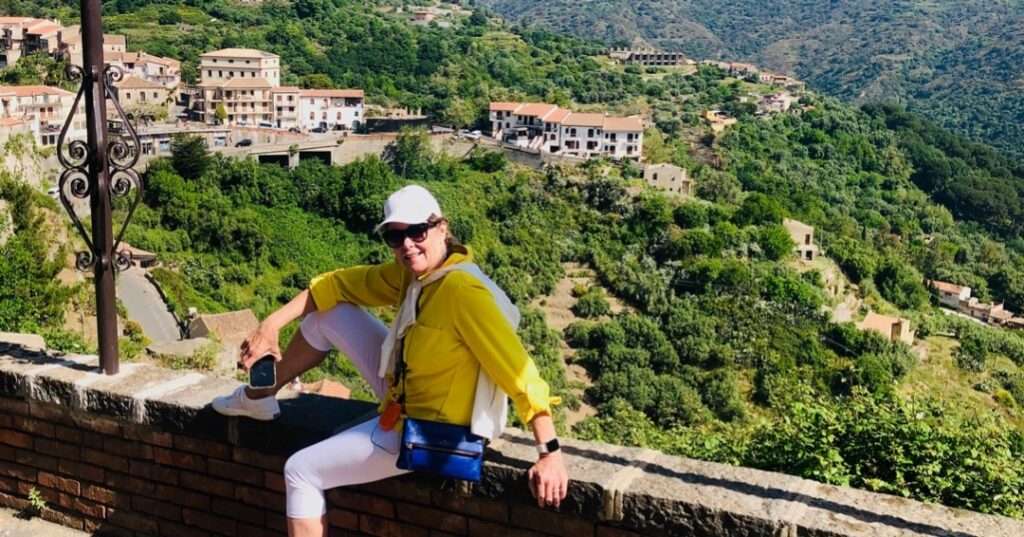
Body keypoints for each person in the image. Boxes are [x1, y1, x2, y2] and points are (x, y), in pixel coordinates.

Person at [212, 185, 569, 537]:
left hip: (429, 427)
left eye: (417, 231)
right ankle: (259, 396)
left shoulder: (462, 293)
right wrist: (270, 324)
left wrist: (549, 452)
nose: (408, 245)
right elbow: (334, 285)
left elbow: (521, 374)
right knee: (325, 314)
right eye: (396, 238)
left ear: (442, 227)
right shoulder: (412, 276)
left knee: (300, 471)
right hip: (403, 390)